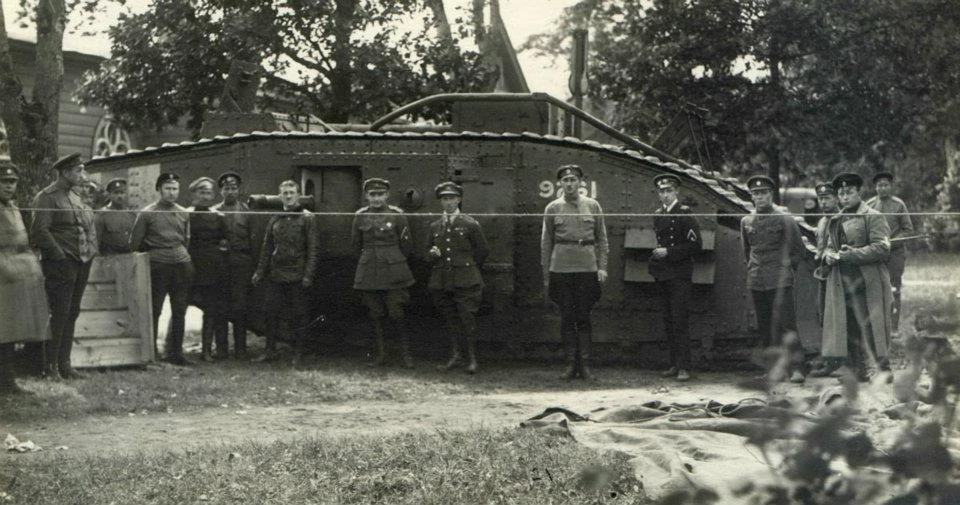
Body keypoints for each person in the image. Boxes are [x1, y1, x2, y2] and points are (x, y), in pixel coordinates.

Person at [820, 172, 894, 382]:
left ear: (859, 192)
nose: (844, 197)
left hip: (867, 280)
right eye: (841, 193)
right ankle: (857, 370)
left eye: (849, 192)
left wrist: (852, 254)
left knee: (872, 325)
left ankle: (883, 369)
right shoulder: (835, 219)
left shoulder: (873, 216)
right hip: (843, 281)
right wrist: (828, 256)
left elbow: (882, 248)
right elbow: (828, 246)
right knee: (849, 325)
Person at [31, 152, 97, 380]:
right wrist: (59, 256)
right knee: (59, 313)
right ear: (65, 172)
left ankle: (65, 364)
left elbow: (86, 226)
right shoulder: (47, 197)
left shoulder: (75, 196)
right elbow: (40, 231)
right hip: (60, 263)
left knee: (72, 311)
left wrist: (90, 252)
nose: (82, 175)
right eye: (78, 171)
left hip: (81, 261)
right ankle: (50, 366)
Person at [541, 164, 609, 380]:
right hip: (561, 269)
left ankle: (585, 365)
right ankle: (570, 365)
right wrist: (547, 275)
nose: (569, 184)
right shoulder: (552, 208)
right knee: (567, 317)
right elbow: (546, 243)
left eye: (573, 180)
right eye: (565, 180)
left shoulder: (593, 206)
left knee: (584, 316)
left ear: (580, 183)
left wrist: (602, 267)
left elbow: (602, 239)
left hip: (586, 268)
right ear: (560, 183)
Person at [740, 175, 806, 383]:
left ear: (771, 195)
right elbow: (747, 251)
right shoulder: (746, 221)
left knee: (787, 325)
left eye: (763, 193)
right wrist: (754, 269)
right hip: (757, 280)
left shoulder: (785, 218)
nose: (760, 197)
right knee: (766, 327)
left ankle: (797, 369)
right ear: (751, 197)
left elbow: (799, 250)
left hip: (780, 280)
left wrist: (784, 268)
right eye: (756, 194)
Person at [252, 180, 318, 365]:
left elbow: (313, 249)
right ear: (280, 196)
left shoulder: (307, 218)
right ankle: (270, 351)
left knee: (299, 313)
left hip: (298, 273)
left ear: (298, 195)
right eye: (285, 193)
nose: (288, 196)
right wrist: (260, 272)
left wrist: (308, 275)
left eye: (291, 193)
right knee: (270, 311)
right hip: (276, 273)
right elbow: (267, 247)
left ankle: (298, 353)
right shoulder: (275, 218)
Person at [130, 172, 193, 365]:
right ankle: (152, 353)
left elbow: (186, 240)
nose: (172, 192)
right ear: (159, 189)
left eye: (175, 189)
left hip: (181, 264)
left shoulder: (184, 212)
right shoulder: (147, 213)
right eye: (168, 188)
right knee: (155, 309)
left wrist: (180, 256)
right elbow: (135, 243)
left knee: (180, 309)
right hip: (158, 266)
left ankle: (176, 352)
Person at [352, 178, 416, 368]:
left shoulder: (397, 215)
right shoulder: (360, 216)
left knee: (397, 312)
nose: (377, 198)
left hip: (394, 270)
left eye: (380, 194)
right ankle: (382, 354)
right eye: (372, 195)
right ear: (366, 196)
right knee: (375, 313)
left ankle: (406, 355)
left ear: (387, 195)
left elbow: (407, 246)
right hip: (369, 270)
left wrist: (393, 259)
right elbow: (355, 245)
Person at [427, 181, 489, 374]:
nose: (448, 202)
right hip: (443, 281)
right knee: (451, 319)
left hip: (466, 280)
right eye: (445, 199)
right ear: (441, 201)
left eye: (452, 198)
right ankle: (456, 356)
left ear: (459, 200)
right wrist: (432, 254)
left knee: (467, 319)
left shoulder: (470, 224)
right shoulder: (435, 226)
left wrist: (467, 267)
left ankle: (472, 359)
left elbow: (482, 251)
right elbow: (427, 252)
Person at [0, 163, 48, 394]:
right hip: (3, 275)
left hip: (17, 275)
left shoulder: (13, 207)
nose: (9, 186)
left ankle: (7, 380)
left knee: (11, 329)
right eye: (4, 182)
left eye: (12, 182)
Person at [649, 174, 701, 382]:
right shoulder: (658, 214)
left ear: (676, 192)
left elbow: (696, 245)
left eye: (669, 190)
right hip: (663, 273)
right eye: (661, 191)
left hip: (680, 274)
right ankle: (674, 363)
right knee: (668, 320)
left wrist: (669, 252)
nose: (665, 195)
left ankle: (684, 367)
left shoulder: (685, 213)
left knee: (680, 320)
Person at [187, 177, 230, 361]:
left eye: (209, 193)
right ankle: (172, 349)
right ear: (194, 194)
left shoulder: (219, 217)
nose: (205, 196)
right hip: (190, 267)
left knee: (211, 310)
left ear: (213, 195)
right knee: (180, 307)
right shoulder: (186, 215)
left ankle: (206, 350)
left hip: (212, 268)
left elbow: (225, 241)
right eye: (201, 192)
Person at [211, 171, 254, 359]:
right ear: (221, 191)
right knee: (220, 306)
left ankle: (241, 349)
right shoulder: (213, 212)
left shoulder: (246, 212)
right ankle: (221, 348)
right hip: (221, 264)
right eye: (226, 188)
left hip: (241, 263)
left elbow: (252, 240)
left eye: (233, 188)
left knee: (240, 306)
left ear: (239, 190)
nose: (230, 192)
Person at [865, 172, 913, 333]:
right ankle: (877, 327)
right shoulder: (869, 205)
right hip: (875, 254)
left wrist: (891, 242)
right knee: (874, 289)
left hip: (894, 255)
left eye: (886, 185)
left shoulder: (899, 205)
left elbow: (908, 230)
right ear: (875, 187)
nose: (883, 188)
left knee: (894, 289)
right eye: (880, 185)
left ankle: (893, 328)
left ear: (890, 186)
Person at [95, 178, 136, 255]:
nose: (119, 196)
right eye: (116, 193)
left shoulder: (131, 214)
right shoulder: (102, 215)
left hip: (128, 256)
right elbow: (96, 241)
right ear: (109, 195)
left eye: (122, 192)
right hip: (109, 257)